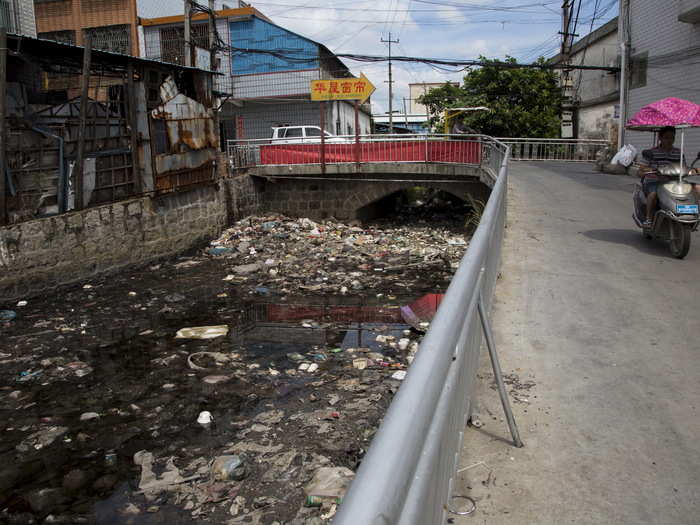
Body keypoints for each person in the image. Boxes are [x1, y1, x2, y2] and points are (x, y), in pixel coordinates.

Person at [637, 126, 685, 226]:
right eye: (666, 137)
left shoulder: (679, 153)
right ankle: (648, 219)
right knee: (653, 194)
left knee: (696, 189)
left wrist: (690, 171)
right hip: (654, 181)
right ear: (660, 138)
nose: (669, 140)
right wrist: (653, 170)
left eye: (672, 138)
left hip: (673, 182)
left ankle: (691, 215)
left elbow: (683, 168)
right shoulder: (651, 152)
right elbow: (641, 170)